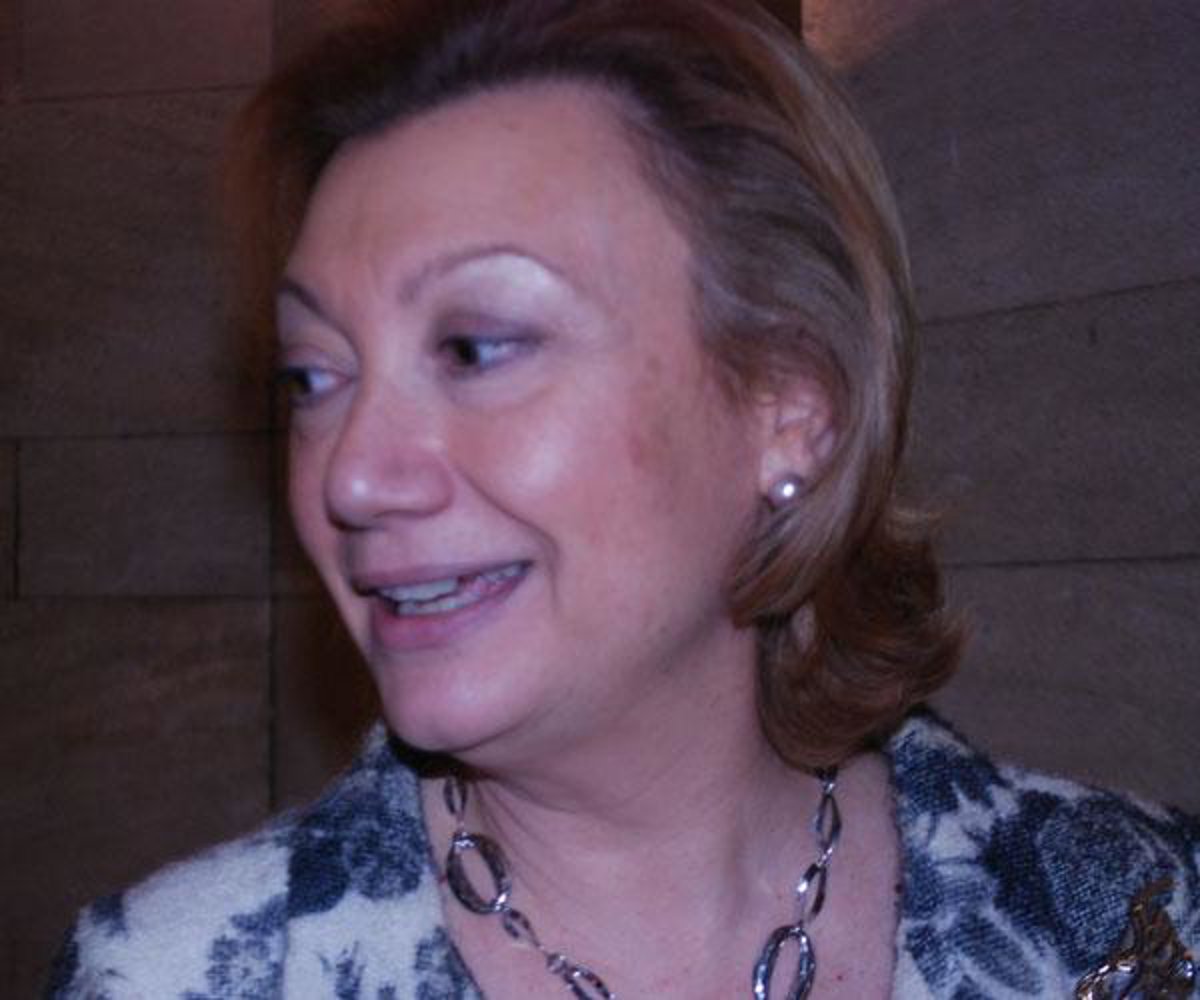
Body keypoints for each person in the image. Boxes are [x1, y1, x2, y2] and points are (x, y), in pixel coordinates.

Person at [48, 1, 1198, 997]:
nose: (349, 473)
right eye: (312, 377)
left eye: (476, 346)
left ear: (787, 407)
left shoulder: (1141, 921)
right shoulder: (174, 975)